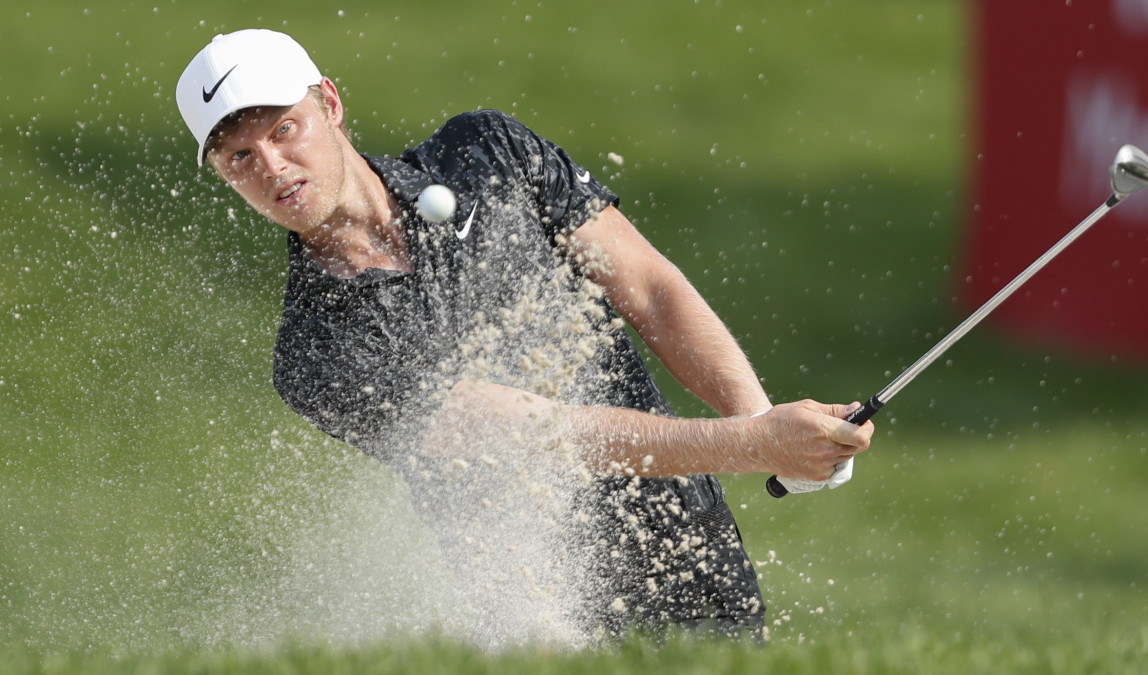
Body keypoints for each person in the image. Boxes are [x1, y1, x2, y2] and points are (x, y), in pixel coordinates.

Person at [175, 29, 873, 644]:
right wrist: (755, 444)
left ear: (329, 104)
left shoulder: (488, 152)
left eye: (282, 130)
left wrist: (767, 424)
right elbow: (543, 436)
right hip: (544, 617)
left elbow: (651, 290)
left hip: (691, 540)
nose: (271, 167)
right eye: (238, 157)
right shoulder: (316, 352)